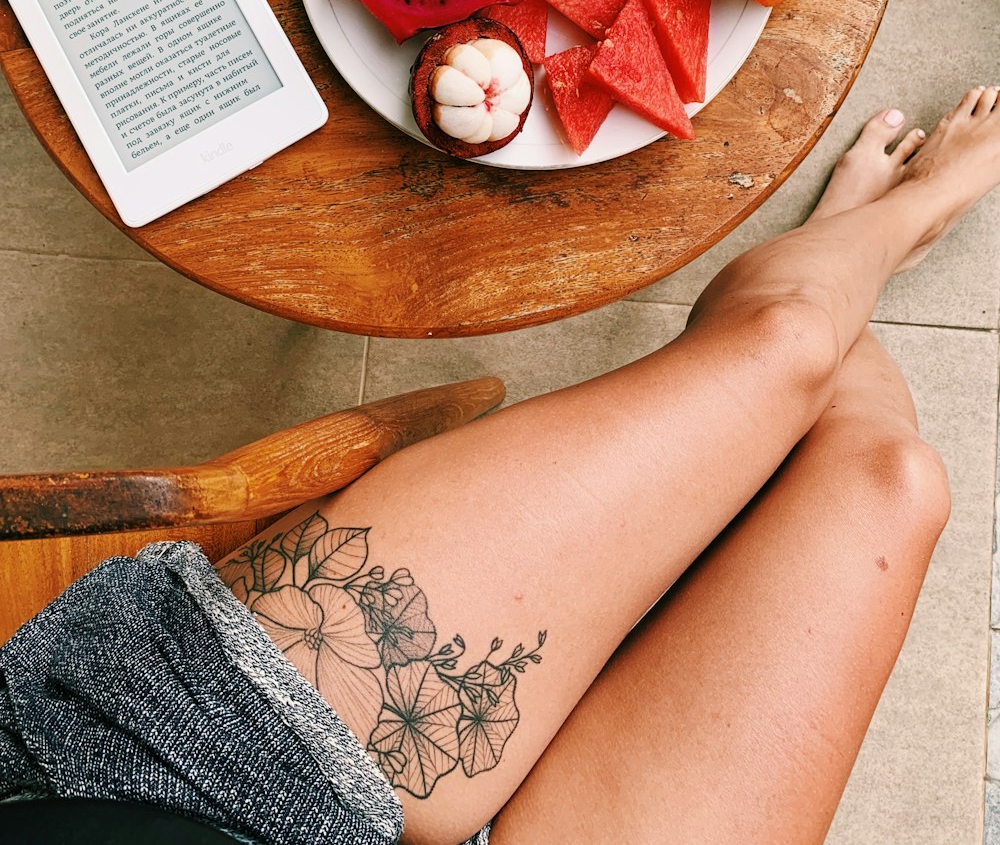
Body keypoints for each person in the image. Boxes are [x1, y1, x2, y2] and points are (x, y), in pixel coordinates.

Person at [2, 87, 999, 845]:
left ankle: (873, 238)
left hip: (206, 752)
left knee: (786, 346)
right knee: (893, 483)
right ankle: (851, 254)